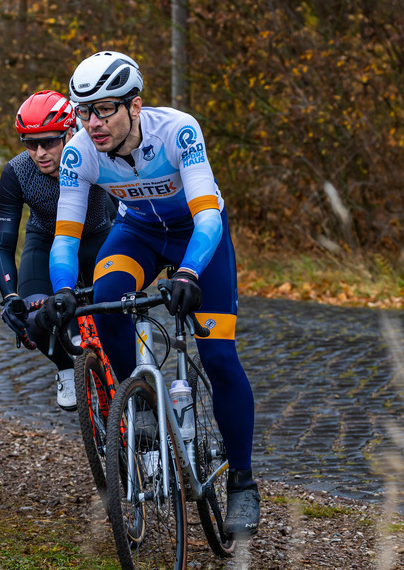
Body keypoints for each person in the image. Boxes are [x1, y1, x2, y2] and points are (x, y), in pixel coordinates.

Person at [42, 51, 261, 538]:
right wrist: (59, 291)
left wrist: (187, 273)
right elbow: (65, 237)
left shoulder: (177, 130)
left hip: (199, 238)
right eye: (82, 110)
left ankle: (243, 483)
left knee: (219, 356)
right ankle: (137, 402)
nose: (91, 123)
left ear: (134, 106)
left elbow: (206, 213)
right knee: (106, 297)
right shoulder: (80, 151)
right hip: (138, 234)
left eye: (104, 110)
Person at [0, 91, 114, 410]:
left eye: (48, 142)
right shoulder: (17, 171)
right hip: (45, 241)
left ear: (70, 132)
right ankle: (64, 367)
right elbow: (3, 243)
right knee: (34, 318)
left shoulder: (96, 155)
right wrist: (9, 296)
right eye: (29, 143)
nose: (39, 153)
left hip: (97, 237)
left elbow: (125, 208)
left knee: (116, 313)